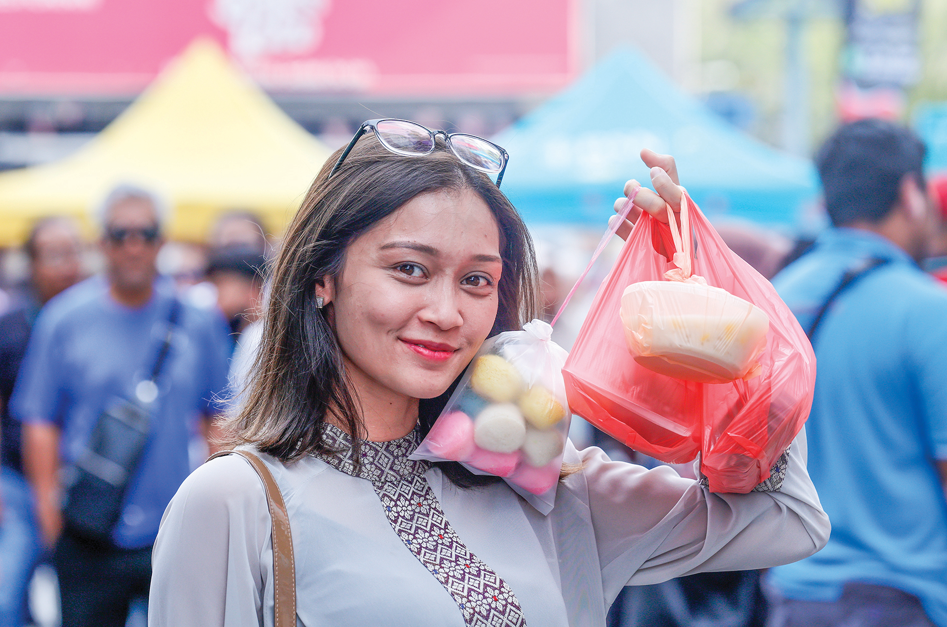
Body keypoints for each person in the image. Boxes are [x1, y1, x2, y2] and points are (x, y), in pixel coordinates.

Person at [148, 118, 830, 626]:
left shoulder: (547, 491)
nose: (445, 311)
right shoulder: (233, 502)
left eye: (476, 279)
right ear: (323, 276)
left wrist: (712, 310)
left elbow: (787, 519)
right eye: (409, 269)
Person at [10, 184, 233, 627]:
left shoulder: (198, 320)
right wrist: (50, 519)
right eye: (121, 233)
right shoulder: (64, 319)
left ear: (162, 242)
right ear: (102, 242)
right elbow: (40, 422)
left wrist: (215, 514)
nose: (134, 246)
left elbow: (219, 420)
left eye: (146, 234)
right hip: (87, 530)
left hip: (174, 530)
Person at [765, 119, 947, 627]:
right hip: (902, 601)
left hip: (792, 594)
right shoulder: (928, 311)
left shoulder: (774, 300)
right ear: (911, 193)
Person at [0, 217, 83, 627]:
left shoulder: (92, 319)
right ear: (31, 264)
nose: (67, 265)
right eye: (54, 255)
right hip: (18, 481)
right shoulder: (11, 327)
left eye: (73, 252)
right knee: (8, 594)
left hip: (90, 482)